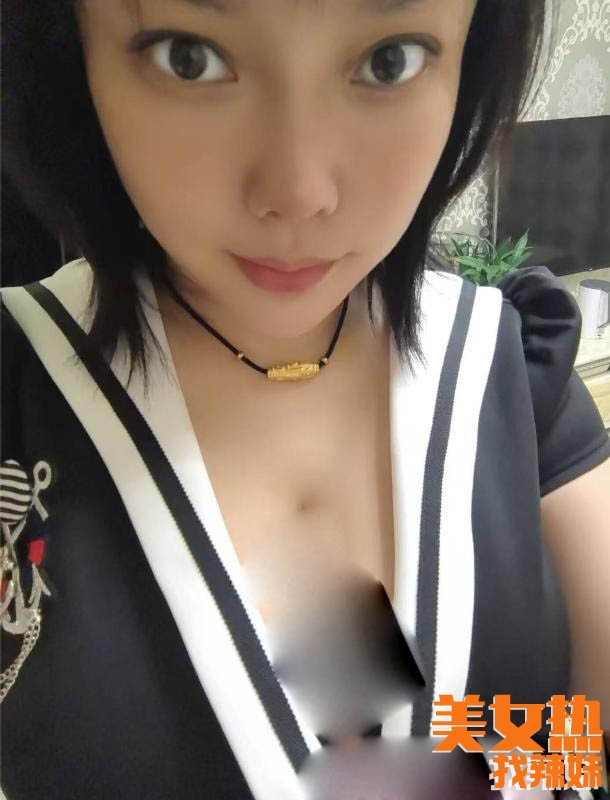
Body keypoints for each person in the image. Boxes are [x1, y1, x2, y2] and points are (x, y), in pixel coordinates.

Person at [1, 0, 609, 798]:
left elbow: (583, 749)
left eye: (389, 60)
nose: (299, 192)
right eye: (189, 57)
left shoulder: (510, 367)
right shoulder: (23, 383)